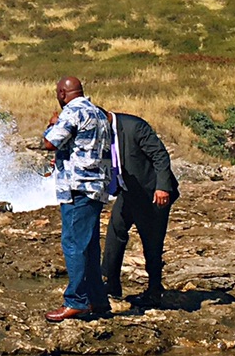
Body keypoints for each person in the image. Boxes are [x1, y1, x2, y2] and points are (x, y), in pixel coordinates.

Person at [42, 76, 114, 320]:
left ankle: (76, 301)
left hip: (77, 187)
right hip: (97, 186)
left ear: (63, 93)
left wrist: (52, 124)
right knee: (89, 246)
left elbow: (50, 143)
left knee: (73, 244)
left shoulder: (72, 112)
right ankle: (98, 300)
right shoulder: (99, 113)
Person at [100, 110, 180, 309]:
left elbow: (160, 155)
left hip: (152, 195)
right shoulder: (101, 134)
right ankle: (111, 284)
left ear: (105, 119)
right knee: (115, 233)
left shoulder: (135, 126)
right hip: (128, 193)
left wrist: (162, 187)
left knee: (152, 244)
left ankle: (154, 292)